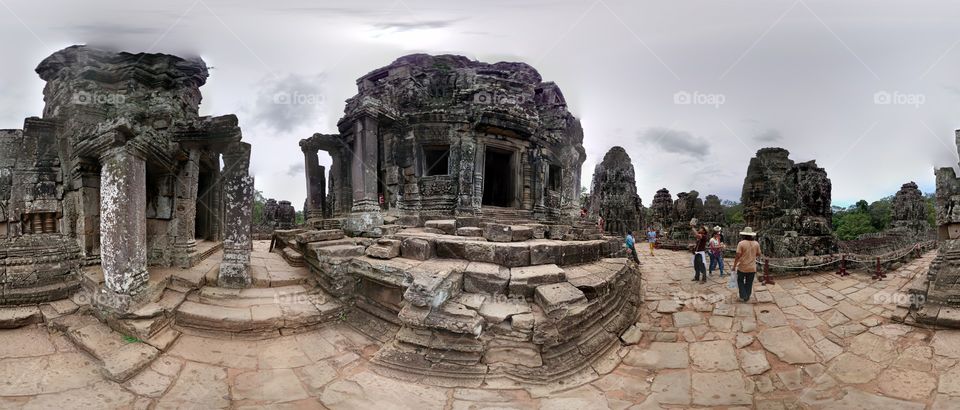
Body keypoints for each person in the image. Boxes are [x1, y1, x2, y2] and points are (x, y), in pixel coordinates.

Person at [733, 227, 762, 302]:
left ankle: (743, 294)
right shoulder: (756, 243)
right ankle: (747, 296)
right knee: (749, 282)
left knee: (740, 281)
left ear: (744, 235)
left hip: (742, 267)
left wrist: (734, 265)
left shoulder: (741, 243)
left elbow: (737, 255)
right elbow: (759, 253)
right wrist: (752, 255)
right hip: (752, 267)